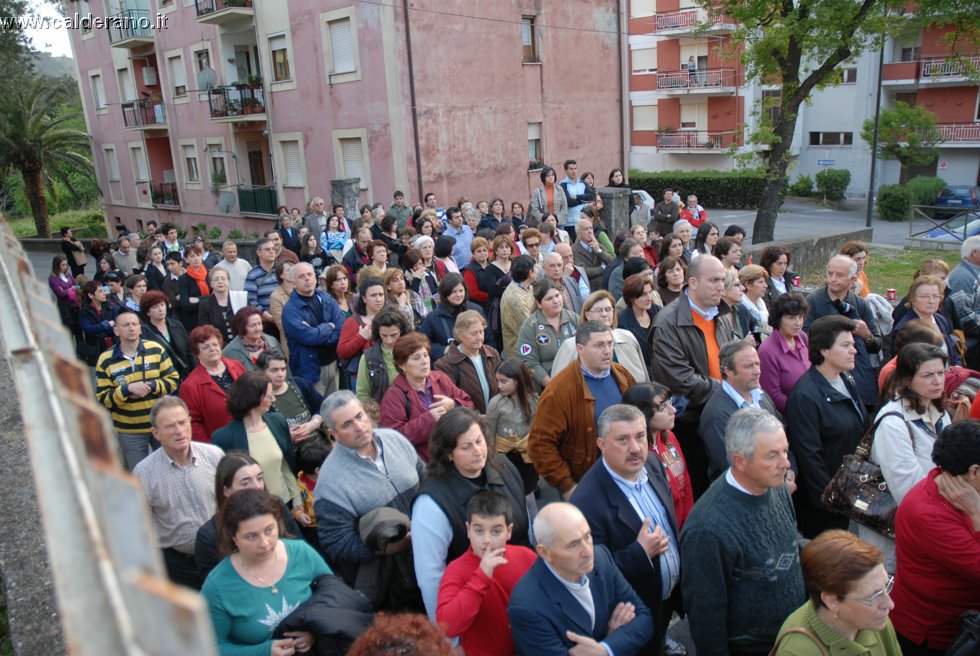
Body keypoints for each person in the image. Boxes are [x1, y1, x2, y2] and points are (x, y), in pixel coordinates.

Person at [681, 409, 805, 656]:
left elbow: (790, 543)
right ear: (740, 461)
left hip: (794, 634)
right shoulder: (706, 529)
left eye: (784, 450)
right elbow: (707, 619)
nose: (785, 463)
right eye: (772, 455)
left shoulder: (776, 486)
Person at [571, 404, 682, 656]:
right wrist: (640, 552)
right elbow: (589, 574)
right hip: (633, 613)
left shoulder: (652, 462)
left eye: (640, 436)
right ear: (601, 444)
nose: (635, 448)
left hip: (666, 600)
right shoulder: (587, 502)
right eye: (623, 439)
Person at [412, 408, 529, 620]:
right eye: (466, 447)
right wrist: (448, 637)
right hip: (476, 606)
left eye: (479, 441)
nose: (478, 451)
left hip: (521, 589)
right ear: (448, 454)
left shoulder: (504, 466)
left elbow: (526, 524)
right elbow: (430, 578)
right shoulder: (430, 504)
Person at [314, 392, 424, 609]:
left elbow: (426, 478)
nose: (359, 426)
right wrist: (390, 548)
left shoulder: (395, 440)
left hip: (429, 556)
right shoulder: (329, 483)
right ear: (332, 433)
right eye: (347, 424)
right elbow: (337, 543)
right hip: (391, 583)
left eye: (360, 416)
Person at [508, 502, 654, 655]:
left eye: (587, 536)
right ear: (545, 552)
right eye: (573, 545)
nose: (587, 551)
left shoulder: (601, 558)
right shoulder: (526, 607)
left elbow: (643, 619)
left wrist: (605, 649)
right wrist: (613, 639)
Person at [201, 488, 330, 655]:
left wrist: (315, 632)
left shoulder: (301, 552)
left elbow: (334, 594)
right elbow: (212, 647)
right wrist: (264, 651)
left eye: (269, 530)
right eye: (252, 536)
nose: (265, 543)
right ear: (234, 537)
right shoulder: (217, 586)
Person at [890, 420, 980, 653]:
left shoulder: (957, 484)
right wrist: (976, 515)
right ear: (974, 472)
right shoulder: (929, 515)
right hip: (936, 635)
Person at [859, 343, 951, 571]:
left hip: (935, 522)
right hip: (897, 531)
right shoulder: (894, 423)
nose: (937, 381)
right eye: (928, 375)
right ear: (907, 379)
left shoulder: (938, 411)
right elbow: (909, 491)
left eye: (941, 373)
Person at [650, 255, 736, 497]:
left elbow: (732, 360)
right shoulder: (668, 323)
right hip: (691, 424)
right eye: (714, 280)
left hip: (722, 416)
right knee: (700, 492)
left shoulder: (720, 315)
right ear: (693, 283)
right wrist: (728, 391)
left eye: (723, 280)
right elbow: (679, 379)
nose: (721, 286)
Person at [529, 321, 637, 499]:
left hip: (626, 475)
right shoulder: (559, 390)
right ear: (580, 348)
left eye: (610, 344)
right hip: (589, 485)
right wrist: (567, 486)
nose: (607, 350)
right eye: (599, 345)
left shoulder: (622, 374)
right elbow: (540, 444)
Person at [785, 315, 869, 537]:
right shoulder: (806, 396)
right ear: (824, 350)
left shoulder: (846, 379)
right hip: (826, 506)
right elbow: (810, 456)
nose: (854, 350)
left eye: (853, 344)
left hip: (850, 491)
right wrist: (832, 499)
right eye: (846, 345)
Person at [133, 397, 224, 589]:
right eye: (170, 426)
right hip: (181, 566)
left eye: (182, 422)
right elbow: (141, 526)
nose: (179, 431)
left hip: (222, 555)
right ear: (156, 433)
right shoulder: (144, 473)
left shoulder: (214, 456)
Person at [436, 490, 537, 656]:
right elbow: (447, 626)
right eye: (479, 531)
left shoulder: (526, 556)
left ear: (509, 531)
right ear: (468, 530)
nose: (487, 540)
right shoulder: (456, 570)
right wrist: (481, 577)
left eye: (496, 531)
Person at [771, 530, 902, 656]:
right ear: (831, 601)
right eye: (873, 596)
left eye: (886, 585)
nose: (890, 604)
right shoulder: (796, 652)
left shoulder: (875, 618)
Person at [211, 372, 304, 519]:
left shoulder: (277, 421)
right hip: (252, 512)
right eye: (268, 395)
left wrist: (297, 501)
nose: (273, 399)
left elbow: (286, 466)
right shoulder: (223, 437)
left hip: (285, 505)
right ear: (254, 398)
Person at [96, 309, 180, 470]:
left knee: (170, 468)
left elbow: (173, 380)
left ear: (140, 328)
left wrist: (152, 386)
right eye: (126, 325)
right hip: (129, 430)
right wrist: (126, 390)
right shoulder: (105, 360)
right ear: (116, 330)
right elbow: (103, 398)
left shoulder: (156, 349)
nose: (131, 328)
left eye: (135, 324)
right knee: (138, 473)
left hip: (160, 424)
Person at [378, 332, 474, 461]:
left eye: (425, 355)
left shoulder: (440, 378)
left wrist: (453, 404)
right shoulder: (394, 395)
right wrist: (429, 419)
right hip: (424, 465)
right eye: (416, 358)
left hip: (455, 458)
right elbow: (393, 438)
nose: (424, 361)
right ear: (402, 365)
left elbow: (469, 404)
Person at [805, 255, 882, 412]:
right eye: (830, 273)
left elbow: (876, 345)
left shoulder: (860, 304)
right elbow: (805, 339)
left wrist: (866, 335)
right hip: (827, 376)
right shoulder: (813, 301)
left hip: (860, 376)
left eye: (839, 275)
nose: (832, 279)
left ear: (853, 279)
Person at [700, 340, 784, 481]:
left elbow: (782, 433)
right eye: (749, 366)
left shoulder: (760, 395)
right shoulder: (717, 416)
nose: (757, 371)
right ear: (728, 371)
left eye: (757, 364)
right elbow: (735, 469)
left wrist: (791, 470)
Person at [622, 382, 695, 529]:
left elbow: (685, 482)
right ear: (642, 414)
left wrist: (690, 523)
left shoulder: (670, 437)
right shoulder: (636, 456)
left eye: (670, 403)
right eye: (663, 407)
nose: (673, 410)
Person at [551, 290, 648, 384]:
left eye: (608, 309)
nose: (604, 314)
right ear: (587, 315)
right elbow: (556, 387)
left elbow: (644, 379)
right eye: (599, 310)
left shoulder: (627, 338)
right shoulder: (571, 346)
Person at [281, 262, 346, 395]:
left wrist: (320, 336)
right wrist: (328, 327)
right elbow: (308, 337)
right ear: (294, 283)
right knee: (317, 411)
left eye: (310, 274)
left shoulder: (326, 298)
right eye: (301, 276)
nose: (307, 278)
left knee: (334, 408)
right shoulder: (290, 310)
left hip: (333, 364)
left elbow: (341, 326)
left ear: (316, 278)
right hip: (309, 369)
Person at [179, 325, 246, 443]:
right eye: (205, 347)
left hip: (250, 433)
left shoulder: (237, 366)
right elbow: (193, 424)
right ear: (197, 353)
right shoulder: (189, 386)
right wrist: (211, 449)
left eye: (215, 345)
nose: (212, 349)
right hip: (221, 445)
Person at [485, 358, 540, 496]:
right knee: (511, 493)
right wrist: (491, 462)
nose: (499, 386)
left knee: (529, 493)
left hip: (527, 455)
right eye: (498, 381)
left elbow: (537, 427)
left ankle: (531, 517)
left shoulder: (533, 400)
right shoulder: (496, 404)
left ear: (517, 380)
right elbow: (489, 434)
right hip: (506, 458)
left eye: (504, 381)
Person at [433, 310, 501, 414]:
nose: (479, 337)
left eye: (481, 331)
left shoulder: (492, 354)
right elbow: (451, 401)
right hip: (468, 424)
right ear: (460, 335)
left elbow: (502, 387)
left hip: (496, 419)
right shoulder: (446, 364)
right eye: (474, 333)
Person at [516, 279, 580, 389]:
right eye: (549, 298)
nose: (556, 301)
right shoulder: (530, 326)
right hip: (546, 387)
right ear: (539, 304)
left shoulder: (573, 318)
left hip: (576, 381)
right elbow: (529, 362)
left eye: (557, 295)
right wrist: (552, 386)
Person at [257, 350, 326, 445]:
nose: (280, 374)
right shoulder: (259, 398)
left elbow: (323, 406)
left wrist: (313, 424)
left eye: (283, 369)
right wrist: (286, 437)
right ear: (262, 372)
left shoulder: (301, 384)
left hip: (318, 446)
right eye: (274, 370)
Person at [759, 292, 811, 415]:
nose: (798, 323)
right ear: (778, 319)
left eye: (800, 317)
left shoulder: (802, 337)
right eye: (791, 318)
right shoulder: (767, 352)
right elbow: (773, 395)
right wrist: (803, 411)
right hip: (790, 418)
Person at [419, 273, 491, 362]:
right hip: (449, 366)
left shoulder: (477, 310)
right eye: (454, 291)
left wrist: (489, 359)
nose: (458, 295)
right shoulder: (433, 317)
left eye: (461, 291)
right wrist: (443, 350)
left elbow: (488, 338)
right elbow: (422, 343)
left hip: (477, 360)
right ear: (445, 293)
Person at [891, 275, 961, 365]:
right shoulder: (905, 328)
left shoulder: (940, 319)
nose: (931, 301)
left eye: (936, 296)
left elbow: (951, 349)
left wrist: (958, 366)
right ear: (912, 299)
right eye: (925, 296)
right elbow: (905, 364)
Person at [355, 306, 412, 406]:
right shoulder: (368, 358)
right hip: (383, 414)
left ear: (402, 331)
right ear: (378, 333)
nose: (389, 340)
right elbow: (363, 394)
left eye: (394, 335)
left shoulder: (413, 351)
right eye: (384, 335)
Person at [947, 236, 980, 369]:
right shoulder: (962, 277)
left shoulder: (972, 273)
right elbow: (964, 317)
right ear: (974, 253)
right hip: (970, 348)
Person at [618, 273, 660, 375]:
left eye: (650, 292)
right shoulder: (622, 321)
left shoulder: (657, 311)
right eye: (643, 294)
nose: (649, 297)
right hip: (641, 374)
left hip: (664, 370)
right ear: (632, 297)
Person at [222, 306, 285, 372]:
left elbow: (287, 374)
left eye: (259, 323)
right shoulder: (230, 352)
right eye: (252, 325)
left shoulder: (272, 342)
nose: (258, 329)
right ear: (241, 327)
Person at [500, 254, 538, 358]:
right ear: (530, 273)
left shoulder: (526, 286)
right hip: (520, 352)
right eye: (536, 267)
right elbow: (530, 325)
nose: (537, 270)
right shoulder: (516, 298)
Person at [197, 266, 243, 346]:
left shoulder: (240, 298)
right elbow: (206, 331)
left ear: (228, 281)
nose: (220, 282)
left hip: (243, 343)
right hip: (219, 346)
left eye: (223, 278)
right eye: (216, 279)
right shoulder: (205, 305)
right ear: (211, 283)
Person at [243, 237, 279, 330]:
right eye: (267, 249)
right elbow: (252, 301)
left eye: (273, 249)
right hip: (266, 323)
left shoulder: (282, 270)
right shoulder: (252, 275)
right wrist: (269, 318)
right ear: (259, 253)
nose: (271, 251)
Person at [78, 280, 116, 366]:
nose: (104, 293)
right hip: (96, 348)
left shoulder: (111, 307)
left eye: (103, 290)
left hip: (112, 345)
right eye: (100, 291)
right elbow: (88, 329)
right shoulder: (85, 311)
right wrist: (107, 324)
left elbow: (116, 325)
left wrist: (100, 330)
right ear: (91, 295)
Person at [573, 216, 613, 292]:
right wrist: (603, 268)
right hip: (588, 291)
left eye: (591, 228)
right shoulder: (574, 250)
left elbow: (611, 263)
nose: (590, 231)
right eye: (586, 229)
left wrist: (599, 251)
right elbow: (584, 271)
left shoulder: (599, 246)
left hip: (604, 289)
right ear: (578, 234)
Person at [176, 245, 210, 331]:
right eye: (192, 256)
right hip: (194, 321)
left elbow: (216, 298)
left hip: (211, 318)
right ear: (186, 259)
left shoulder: (210, 275)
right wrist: (208, 299)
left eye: (198, 255)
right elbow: (186, 305)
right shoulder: (183, 279)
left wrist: (198, 299)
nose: (196, 258)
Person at [267, 260, 295, 358]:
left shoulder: (302, 290)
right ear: (281, 275)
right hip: (291, 342)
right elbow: (281, 324)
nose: (292, 272)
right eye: (288, 270)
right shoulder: (276, 296)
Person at [740, 264, 772, 344]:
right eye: (760, 282)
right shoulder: (740, 308)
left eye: (765, 282)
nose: (765, 286)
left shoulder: (762, 305)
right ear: (748, 285)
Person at [761, 245, 799, 311]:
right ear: (769, 264)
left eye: (785, 263)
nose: (783, 267)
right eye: (779, 263)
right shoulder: (763, 283)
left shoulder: (790, 279)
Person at [48, 255, 79, 334]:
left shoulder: (68, 275)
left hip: (75, 305)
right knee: (69, 332)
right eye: (63, 265)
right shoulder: (52, 278)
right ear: (57, 265)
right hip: (65, 309)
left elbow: (77, 285)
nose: (65, 267)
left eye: (66, 265)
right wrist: (71, 289)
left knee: (78, 331)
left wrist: (68, 290)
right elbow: (60, 293)